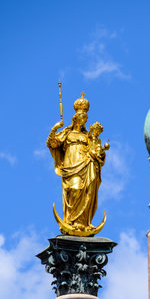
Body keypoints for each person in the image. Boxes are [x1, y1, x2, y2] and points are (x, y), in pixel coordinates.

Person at [47, 94, 107, 233]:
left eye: (85, 119)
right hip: (71, 166)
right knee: (75, 189)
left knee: (89, 191)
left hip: (87, 165)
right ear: (75, 119)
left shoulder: (88, 136)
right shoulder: (67, 134)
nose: (83, 121)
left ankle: (84, 223)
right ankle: (71, 220)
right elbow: (52, 143)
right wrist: (54, 128)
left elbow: (97, 151)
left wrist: (100, 153)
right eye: (81, 118)